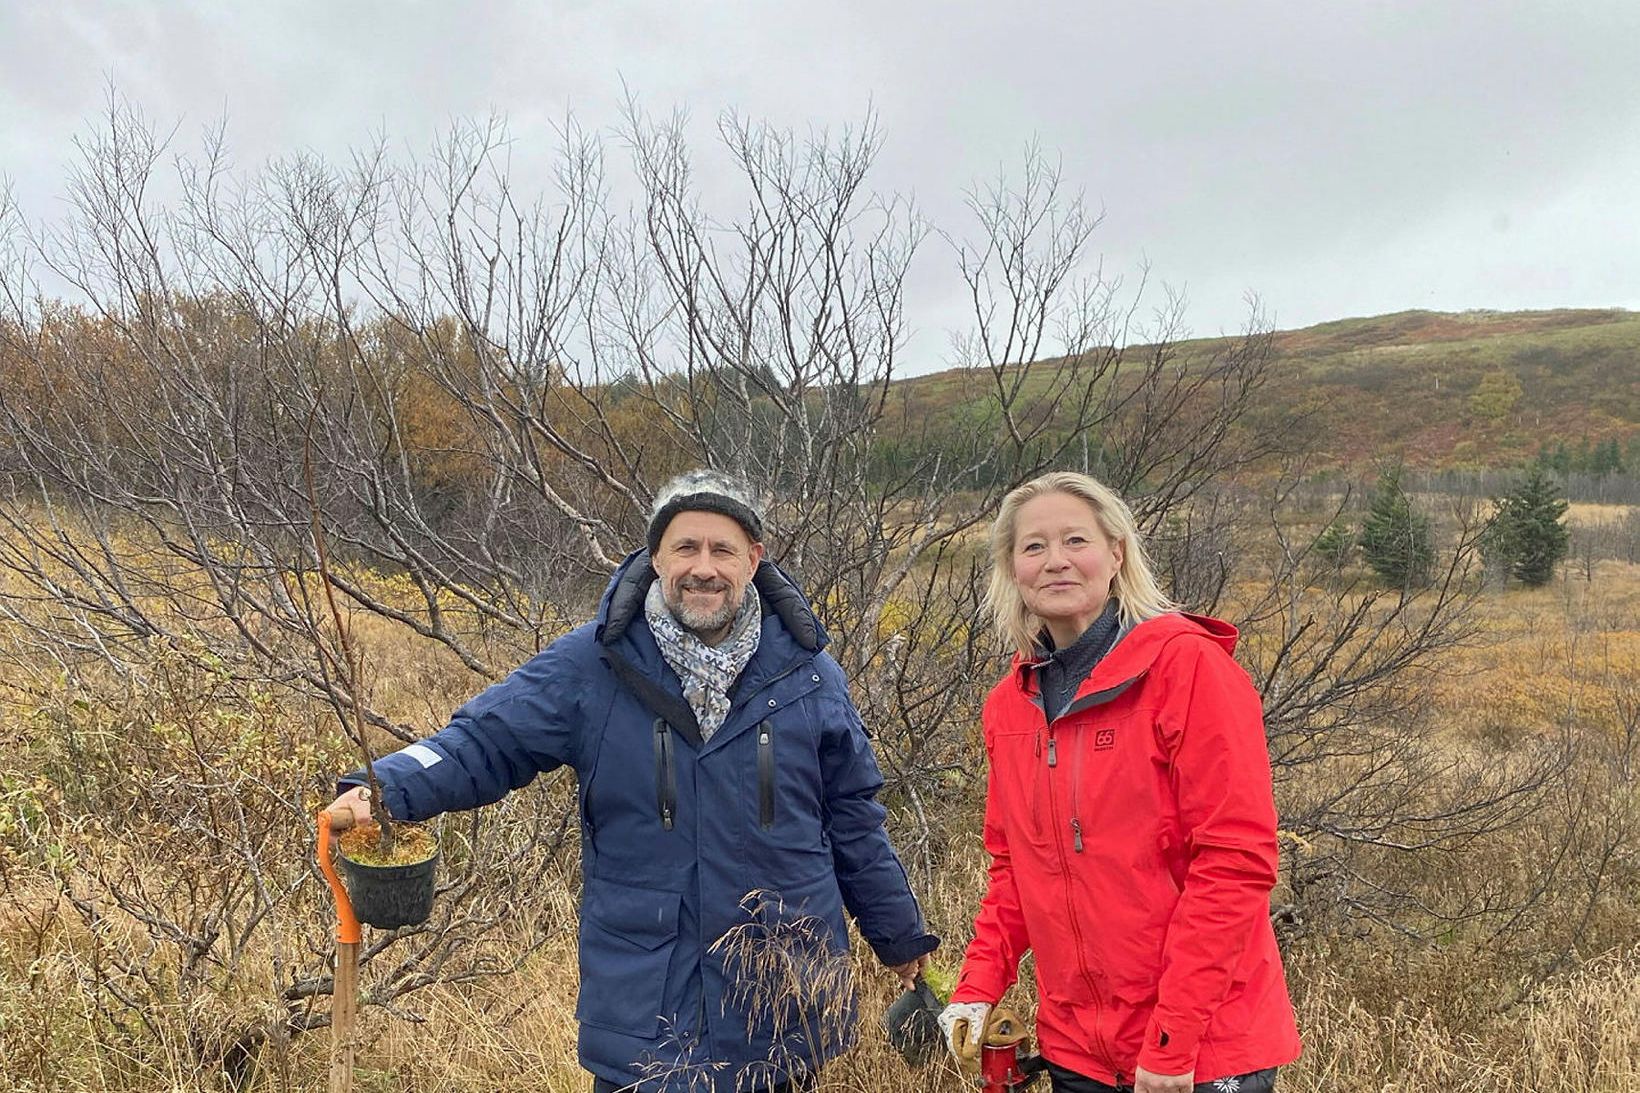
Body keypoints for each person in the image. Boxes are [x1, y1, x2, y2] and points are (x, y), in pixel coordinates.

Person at [325, 469, 938, 1093]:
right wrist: (385, 789)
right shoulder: (591, 665)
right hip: (647, 996)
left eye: (722, 549)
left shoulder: (808, 676)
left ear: (753, 560)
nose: (704, 568)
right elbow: (484, 741)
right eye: (686, 547)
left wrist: (897, 933)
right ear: (655, 558)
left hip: (777, 995)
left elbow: (854, 818)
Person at [937, 472, 1301, 1093]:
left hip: (1200, 1048)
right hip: (1076, 1049)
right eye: (1033, 547)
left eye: (1076, 540)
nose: (1055, 561)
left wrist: (1172, 1039)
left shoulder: (1188, 669)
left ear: (1116, 554)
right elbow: (1014, 867)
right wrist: (977, 987)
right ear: (1012, 570)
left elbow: (1234, 863)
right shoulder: (1010, 705)